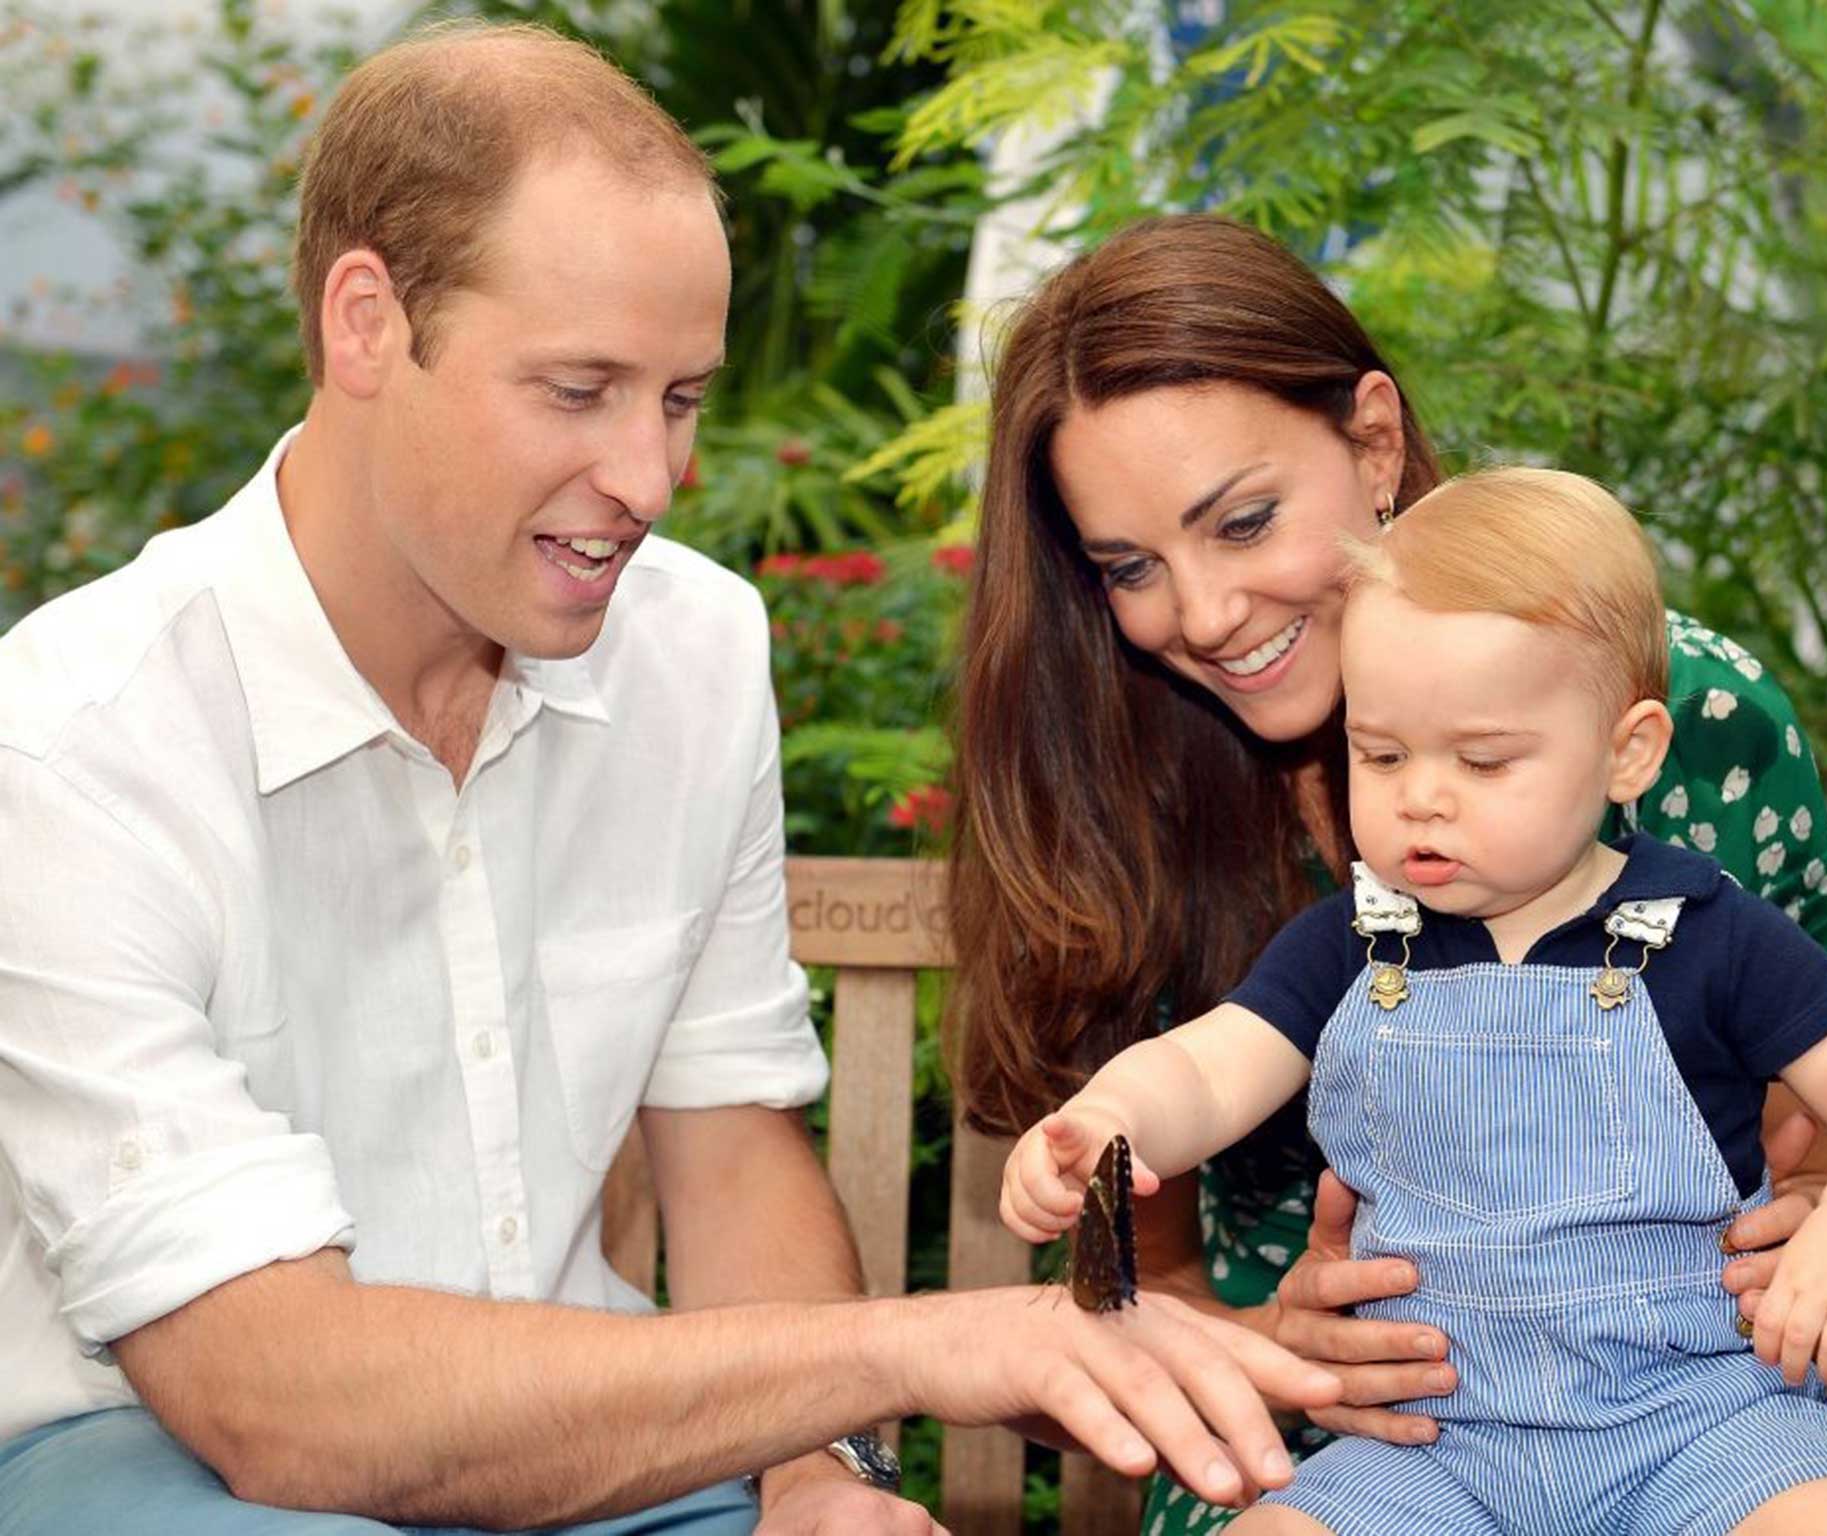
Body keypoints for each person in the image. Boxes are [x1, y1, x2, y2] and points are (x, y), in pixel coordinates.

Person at [0, 25, 1345, 1536]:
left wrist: (815, 1476)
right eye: (580, 391)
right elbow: (274, 1404)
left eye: (683, 399)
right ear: (367, 324)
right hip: (166, 1469)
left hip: (618, 1458)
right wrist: (902, 1348)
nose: (652, 478)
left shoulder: (692, 650)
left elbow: (726, 1150)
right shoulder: (73, 744)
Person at [946, 213, 1827, 1533]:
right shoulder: (1119, 793)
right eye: (1132, 569)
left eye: (1244, 520)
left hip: (1678, 1428)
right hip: (1335, 1459)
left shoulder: (1674, 717)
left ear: (1373, 442)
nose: (1200, 616)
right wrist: (1273, 1344)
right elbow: (1114, 1317)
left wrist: (1825, 1218)